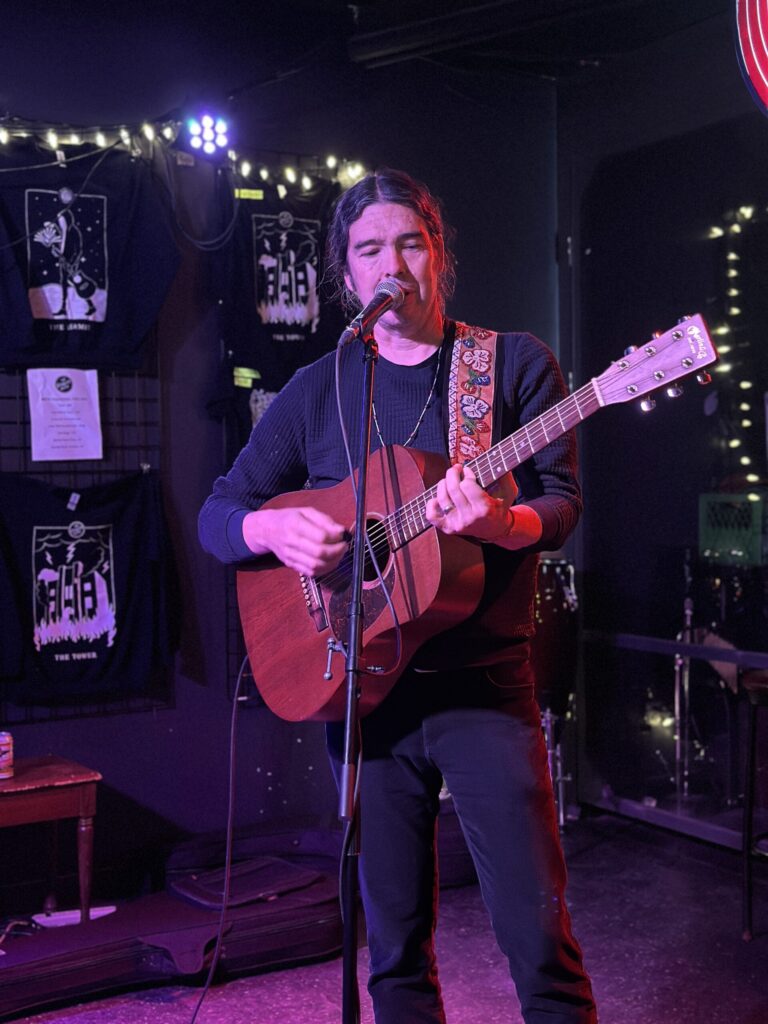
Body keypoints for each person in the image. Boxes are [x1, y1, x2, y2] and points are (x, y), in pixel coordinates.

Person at [198, 168, 597, 1023]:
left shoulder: (510, 364)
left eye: (410, 244)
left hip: (484, 691)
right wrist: (274, 532)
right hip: (365, 698)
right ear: (347, 277)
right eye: (370, 249)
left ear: (439, 255)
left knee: (539, 947)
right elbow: (219, 513)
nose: (393, 266)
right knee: (392, 957)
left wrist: (499, 520)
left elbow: (560, 507)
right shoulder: (320, 388)